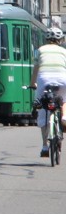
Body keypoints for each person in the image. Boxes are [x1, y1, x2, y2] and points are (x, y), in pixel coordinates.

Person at [32, 26, 66, 157]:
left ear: (47, 39)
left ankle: (45, 146)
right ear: (60, 40)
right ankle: (63, 117)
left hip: (44, 79)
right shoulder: (64, 51)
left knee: (41, 107)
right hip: (62, 79)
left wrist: (32, 84)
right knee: (64, 99)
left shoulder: (40, 50)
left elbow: (36, 69)